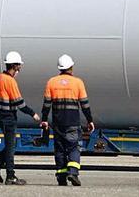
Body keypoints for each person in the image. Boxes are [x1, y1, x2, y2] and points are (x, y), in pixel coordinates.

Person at [40, 54, 94, 187]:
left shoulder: (51, 82)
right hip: (73, 122)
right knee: (73, 147)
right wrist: (90, 120)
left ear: (59, 68)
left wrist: (44, 119)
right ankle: (73, 173)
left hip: (58, 122)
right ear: (71, 67)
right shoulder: (78, 82)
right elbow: (85, 104)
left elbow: (46, 104)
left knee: (59, 149)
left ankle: (61, 177)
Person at [0, 51, 41, 185]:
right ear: (15, 66)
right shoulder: (10, 81)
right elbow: (20, 103)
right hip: (8, 118)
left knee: (10, 144)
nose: (20, 67)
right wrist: (33, 114)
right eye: (19, 65)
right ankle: (10, 176)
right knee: (11, 147)